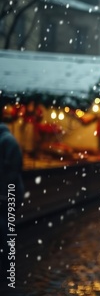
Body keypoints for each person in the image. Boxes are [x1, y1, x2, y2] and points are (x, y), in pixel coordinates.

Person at [0, 121, 24, 285]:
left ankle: (9, 263)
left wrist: (4, 191)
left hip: (8, 191)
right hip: (9, 190)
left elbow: (12, 170)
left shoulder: (6, 141)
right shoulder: (7, 140)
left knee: (6, 225)